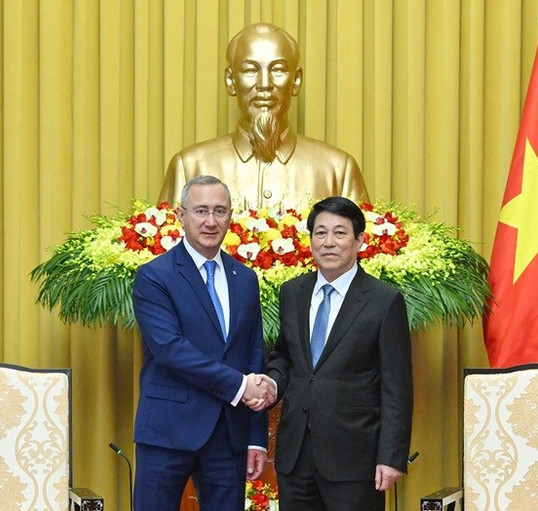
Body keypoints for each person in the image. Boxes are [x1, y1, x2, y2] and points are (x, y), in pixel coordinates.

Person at [131, 175, 276, 511]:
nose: (211, 221)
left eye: (219, 211)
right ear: (181, 216)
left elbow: (254, 354)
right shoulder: (154, 276)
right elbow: (170, 349)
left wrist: (257, 437)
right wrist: (240, 385)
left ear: (230, 216)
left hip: (229, 434)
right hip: (167, 431)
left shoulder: (246, 278)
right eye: (201, 211)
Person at [262, 196, 413, 510]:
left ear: (359, 240)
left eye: (340, 233)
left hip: (355, 459)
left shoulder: (384, 301)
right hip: (295, 455)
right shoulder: (293, 293)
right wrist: (272, 384)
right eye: (320, 233)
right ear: (311, 239)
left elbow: (396, 386)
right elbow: (285, 356)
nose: (328, 242)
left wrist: (391, 457)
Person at [159, 23, 369, 210]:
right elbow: (167, 248)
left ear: (296, 81)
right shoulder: (189, 166)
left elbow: (364, 248)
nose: (264, 84)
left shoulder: (338, 170)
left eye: (278, 70)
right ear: (231, 81)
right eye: (250, 70)